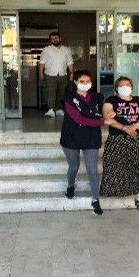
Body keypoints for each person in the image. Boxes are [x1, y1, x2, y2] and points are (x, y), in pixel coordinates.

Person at [100, 76, 139, 210]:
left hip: (136, 138)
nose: (125, 87)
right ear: (117, 88)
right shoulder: (111, 100)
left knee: (137, 165)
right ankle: (115, 191)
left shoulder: (138, 100)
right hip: (116, 138)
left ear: (131, 87)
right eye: (122, 85)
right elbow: (107, 118)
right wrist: (124, 127)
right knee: (113, 164)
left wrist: (135, 126)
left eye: (128, 85)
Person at [60, 70, 106, 215]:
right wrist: (103, 122)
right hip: (71, 136)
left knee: (92, 169)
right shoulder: (69, 98)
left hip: (91, 137)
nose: (85, 84)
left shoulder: (98, 97)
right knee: (74, 166)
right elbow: (79, 120)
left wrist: (108, 115)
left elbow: (104, 112)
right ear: (75, 82)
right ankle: (70, 185)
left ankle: (95, 200)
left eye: (88, 81)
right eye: (82, 81)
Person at [39, 31, 73, 118]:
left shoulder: (66, 50)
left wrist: (71, 74)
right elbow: (42, 63)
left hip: (63, 75)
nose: (54, 40)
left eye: (56, 38)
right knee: (51, 93)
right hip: (50, 75)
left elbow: (70, 63)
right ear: (50, 40)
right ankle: (51, 110)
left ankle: (59, 109)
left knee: (61, 93)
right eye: (52, 39)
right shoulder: (46, 50)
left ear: (60, 39)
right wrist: (41, 73)